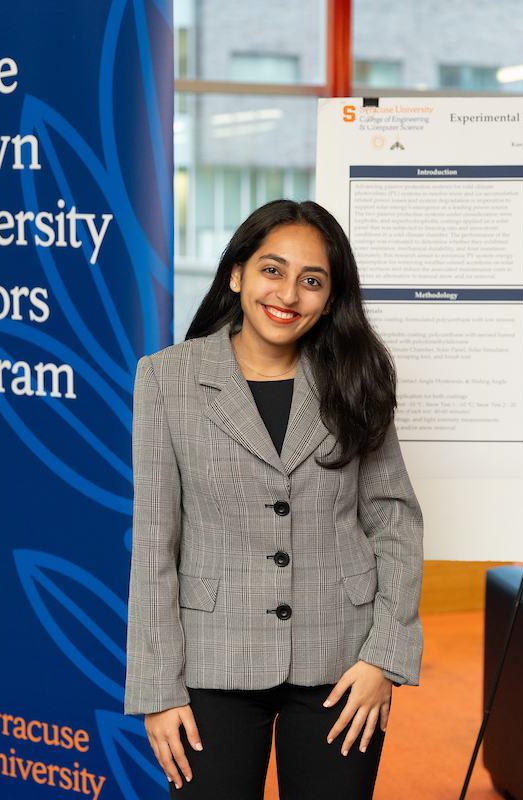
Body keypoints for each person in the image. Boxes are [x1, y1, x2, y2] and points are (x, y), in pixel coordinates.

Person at [125, 199, 423, 800]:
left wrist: (383, 660)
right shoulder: (166, 379)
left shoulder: (355, 377)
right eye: (272, 270)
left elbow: (393, 519)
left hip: (344, 659)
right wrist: (158, 690)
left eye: (312, 281)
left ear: (330, 298)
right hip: (214, 656)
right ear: (237, 274)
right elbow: (155, 540)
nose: (288, 293)